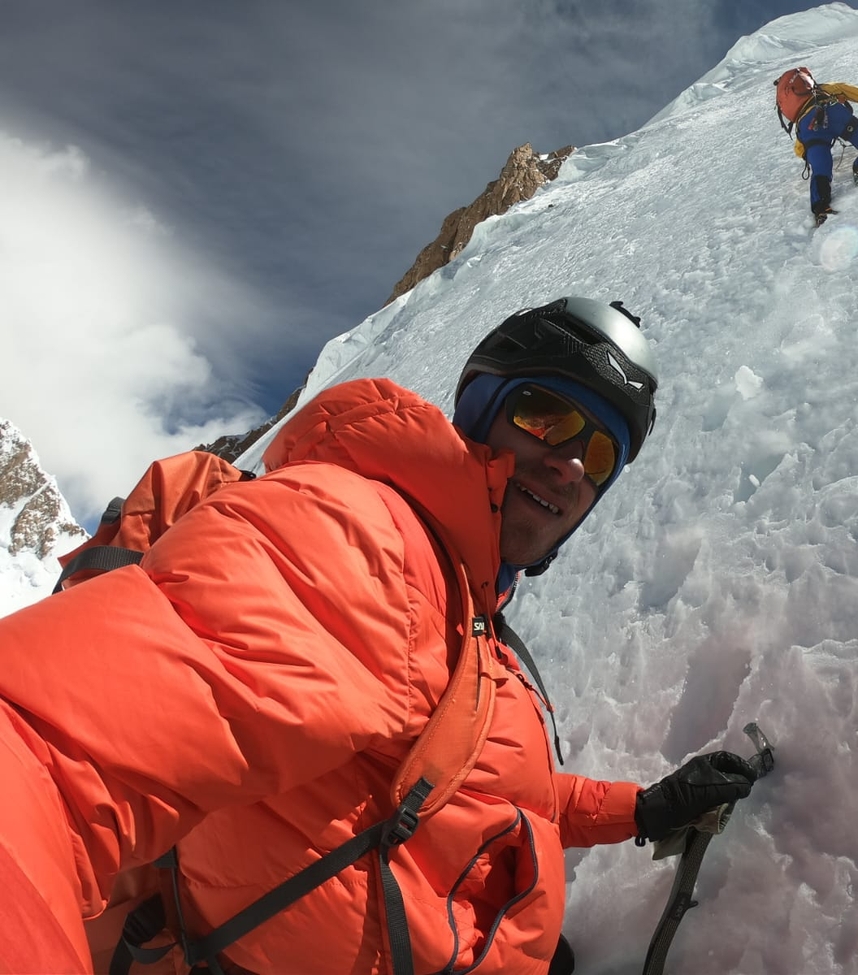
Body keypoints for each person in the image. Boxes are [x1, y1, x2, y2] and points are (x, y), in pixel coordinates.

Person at [0, 296, 759, 975]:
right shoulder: (363, 541)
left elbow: (492, 801)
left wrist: (643, 809)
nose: (567, 464)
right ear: (481, 410)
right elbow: (41, 752)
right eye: (545, 414)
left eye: (597, 454)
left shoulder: (469, 621)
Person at [773, 66, 858, 225]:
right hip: (835, 113)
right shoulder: (826, 89)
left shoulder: (799, 116)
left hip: (810, 129)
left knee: (821, 170)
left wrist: (809, 155)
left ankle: (821, 208)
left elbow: (801, 147)